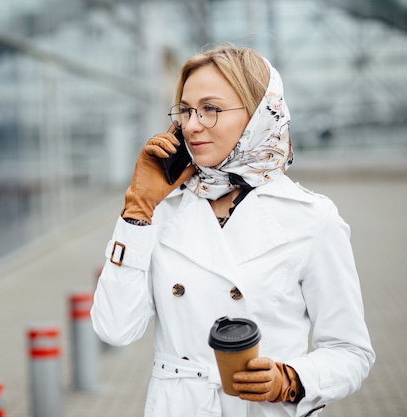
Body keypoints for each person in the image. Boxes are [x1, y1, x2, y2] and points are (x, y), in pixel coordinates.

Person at [90, 45, 375, 417]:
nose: (192, 125)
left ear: (258, 113)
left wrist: (290, 379)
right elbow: (114, 330)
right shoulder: (159, 211)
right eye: (186, 110)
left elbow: (351, 351)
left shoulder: (312, 217)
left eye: (211, 109)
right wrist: (137, 209)